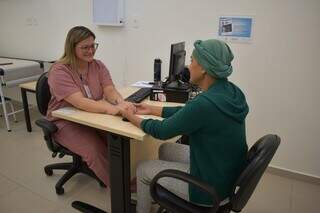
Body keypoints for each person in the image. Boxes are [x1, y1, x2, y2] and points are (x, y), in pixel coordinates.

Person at [120, 39, 249, 212]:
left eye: (192, 61)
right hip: (224, 174)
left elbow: (162, 130)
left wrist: (130, 115)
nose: (188, 66)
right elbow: (189, 115)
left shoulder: (205, 104)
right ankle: (161, 194)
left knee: (143, 169)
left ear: (203, 68)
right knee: (166, 149)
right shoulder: (230, 91)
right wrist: (150, 109)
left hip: (208, 191)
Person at [46, 26, 135, 187]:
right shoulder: (59, 70)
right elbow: (80, 102)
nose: (91, 51)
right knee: (94, 150)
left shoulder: (97, 65)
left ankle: (126, 175)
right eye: (85, 47)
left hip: (91, 116)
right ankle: (122, 190)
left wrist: (120, 103)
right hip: (64, 122)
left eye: (93, 45)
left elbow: (109, 89)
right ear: (72, 48)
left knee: (117, 139)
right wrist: (111, 109)